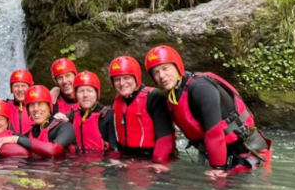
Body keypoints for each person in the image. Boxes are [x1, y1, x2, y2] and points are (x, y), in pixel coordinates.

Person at [144, 45, 272, 175]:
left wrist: (217, 169)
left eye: (165, 69)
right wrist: (159, 162)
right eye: (156, 72)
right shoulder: (172, 95)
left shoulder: (200, 88)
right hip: (225, 155)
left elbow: (214, 133)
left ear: (177, 67)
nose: (162, 76)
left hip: (249, 154)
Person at [108, 56, 176, 172]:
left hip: (153, 158)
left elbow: (165, 135)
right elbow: (114, 133)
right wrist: (115, 158)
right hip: (126, 159)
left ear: (136, 78)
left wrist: (159, 162)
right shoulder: (117, 100)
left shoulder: (154, 97)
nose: (122, 83)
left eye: (126, 78)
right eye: (117, 79)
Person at [0, 85, 75, 158]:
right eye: (31, 105)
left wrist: (16, 139)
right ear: (27, 110)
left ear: (49, 106)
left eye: (40, 104)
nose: (35, 109)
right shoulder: (30, 133)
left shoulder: (65, 127)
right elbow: (7, 136)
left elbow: (53, 149)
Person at [68, 71, 117, 152]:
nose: (85, 95)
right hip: (77, 162)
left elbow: (114, 149)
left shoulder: (108, 115)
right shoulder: (71, 116)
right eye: (81, 91)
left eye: (90, 91)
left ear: (97, 93)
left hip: (102, 162)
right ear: (75, 95)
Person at [6, 69, 34, 135]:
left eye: (23, 86)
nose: (20, 89)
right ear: (11, 89)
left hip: (32, 144)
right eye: (16, 86)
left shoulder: (39, 107)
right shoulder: (4, 107)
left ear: (30, 88)